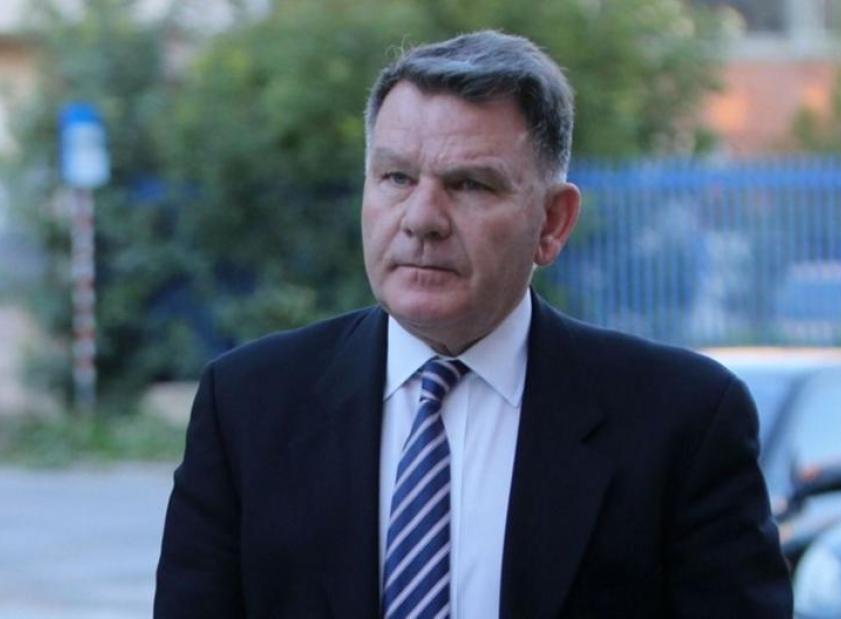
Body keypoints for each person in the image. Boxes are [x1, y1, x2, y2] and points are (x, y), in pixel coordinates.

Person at [155, 30, 792, 618]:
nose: (422, 218)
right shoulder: (248, 407)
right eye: (397, 177)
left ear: (552, 223)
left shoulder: (682, 422)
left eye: (469, 185)